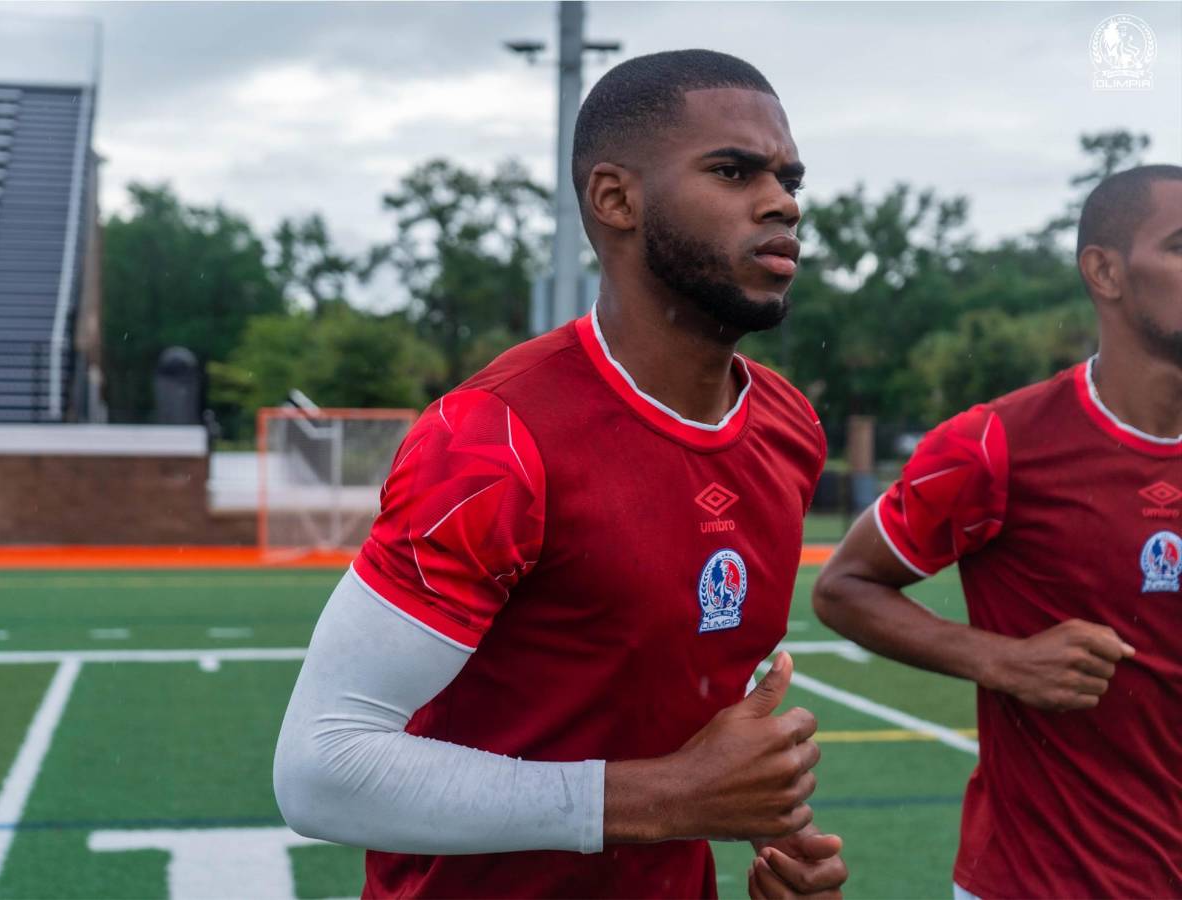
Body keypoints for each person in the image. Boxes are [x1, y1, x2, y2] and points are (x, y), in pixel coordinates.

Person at [274, 49, 848, 899]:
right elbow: (321, 770)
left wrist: (764, 844)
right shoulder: (491, 440)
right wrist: (671, 796)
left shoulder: (789, 427)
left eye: (789, 176)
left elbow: (680, 730)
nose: (781, 202)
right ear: (615, 199)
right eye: (734, 171)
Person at [813, 164, 1182, 899]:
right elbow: (844, 587)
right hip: (1043, 881)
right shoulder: (996, 444)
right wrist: (1003, 661)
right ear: (1104, 272)